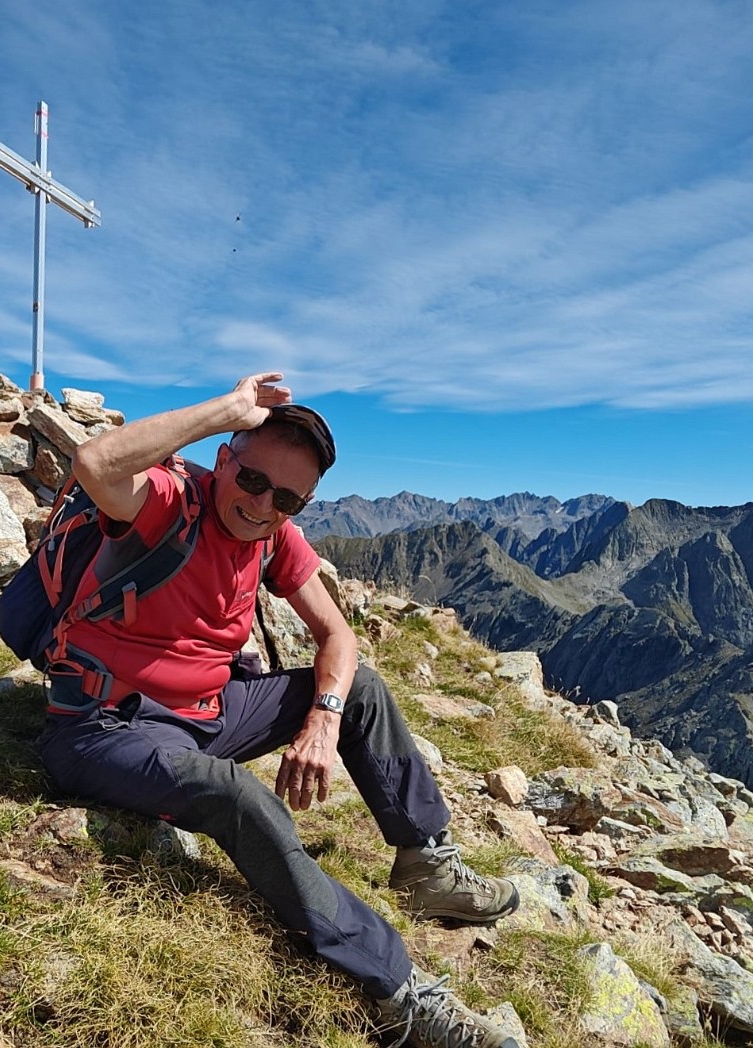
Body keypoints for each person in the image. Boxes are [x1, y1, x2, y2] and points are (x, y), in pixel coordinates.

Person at [33, 374, 523, 1048]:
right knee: (236, 795)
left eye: (287, 499)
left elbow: (339, 637)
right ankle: (399, 995)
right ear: (226, 458)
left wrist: (323, 718)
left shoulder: (272, 535)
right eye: (253, 480)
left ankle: (427, 866)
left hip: (207, 716)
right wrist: (226, 412)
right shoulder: (170, 500)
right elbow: (94, 464)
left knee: (360, 690)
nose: (263, 506)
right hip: (102, 728)